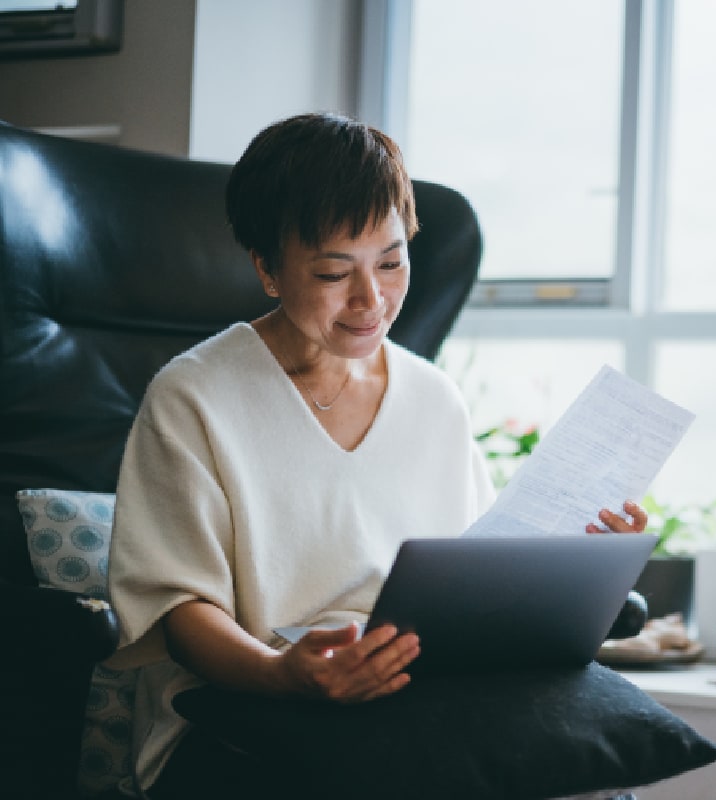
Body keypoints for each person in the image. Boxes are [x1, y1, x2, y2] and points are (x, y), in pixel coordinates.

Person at [107, 112, 647, 798]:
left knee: (592, 772)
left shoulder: (434, 398)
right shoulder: (193, 397)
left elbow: (478, 581)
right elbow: (178, 610)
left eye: (392, 262)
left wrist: (580, 559)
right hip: (244, 712)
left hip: (423, 699)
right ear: (268, 269)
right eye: (335, 272)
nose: (372, 300)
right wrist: (283, 674)